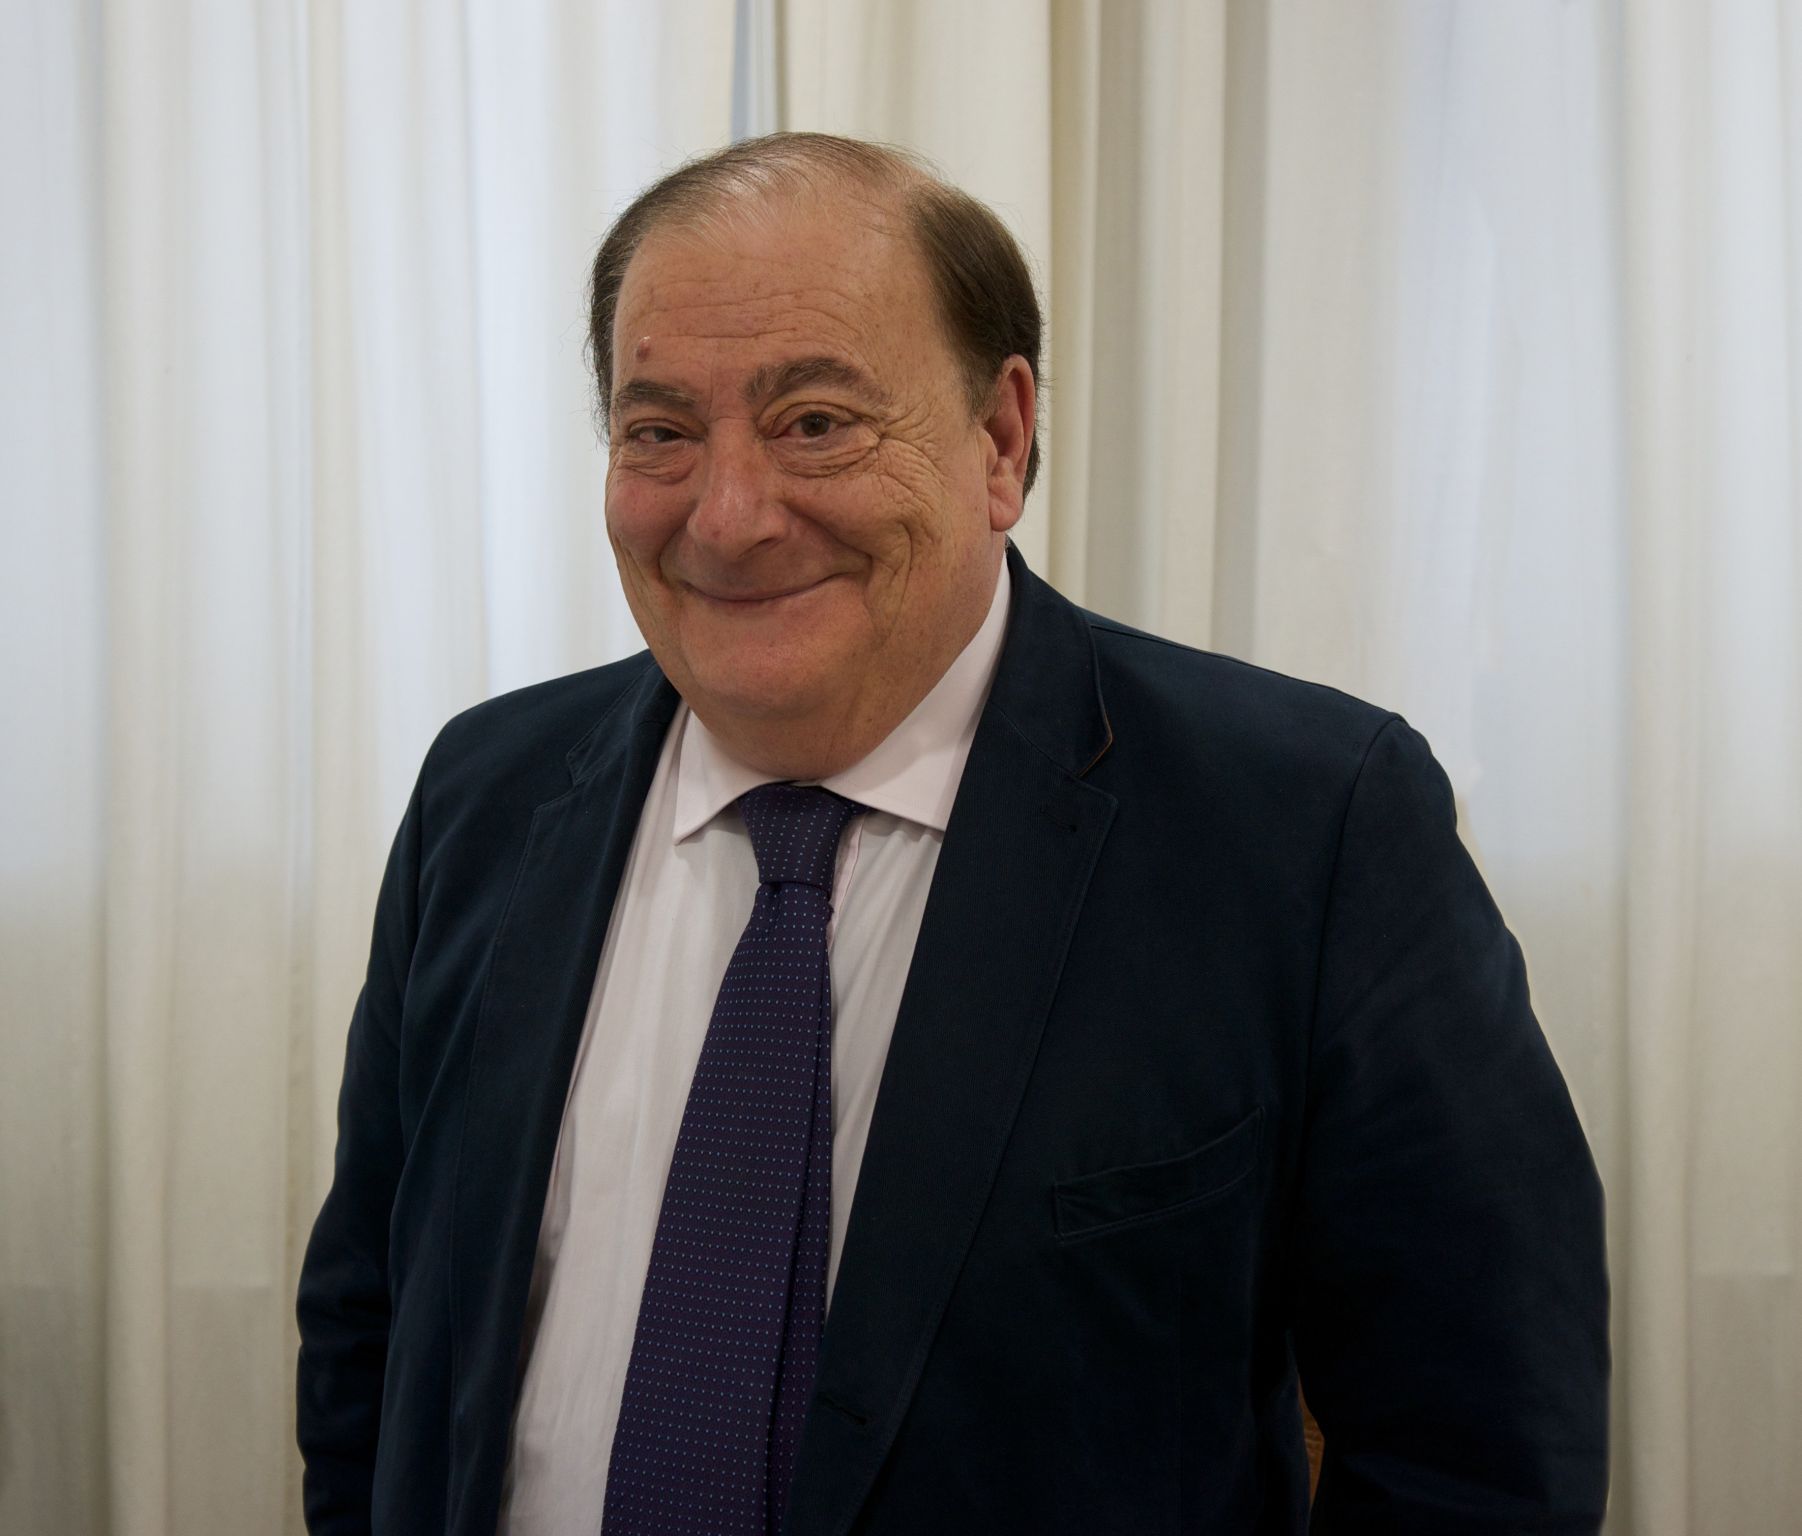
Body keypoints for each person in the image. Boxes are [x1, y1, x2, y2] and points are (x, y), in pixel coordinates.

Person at [296, 132, 1609, 1536]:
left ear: (1001, 439)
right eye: (660, 432)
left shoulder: (1305, 828)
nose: (727, 518)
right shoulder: (485, 796)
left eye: (815, 422)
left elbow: (1477, 1450)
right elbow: (376, 1327)